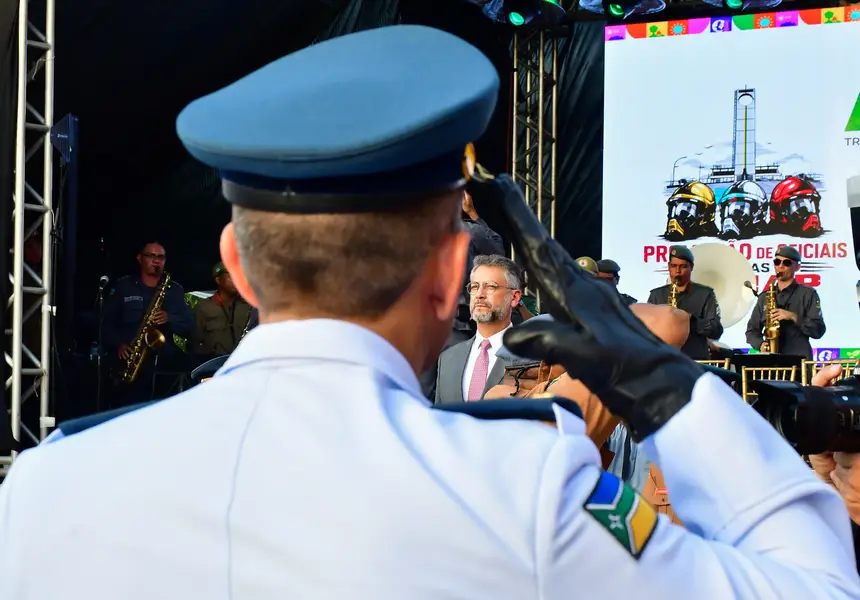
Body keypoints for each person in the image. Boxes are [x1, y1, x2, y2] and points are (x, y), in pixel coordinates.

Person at [0, 25, 858, 600]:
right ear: (454, 276)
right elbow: (814, 585)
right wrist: (664, 383)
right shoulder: (525, 489)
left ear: (236, 264)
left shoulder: (46, 486)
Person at [418, 189, 504, 398]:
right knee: (446, 392)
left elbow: (498, 253)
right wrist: (473, 214)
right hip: (439, 325)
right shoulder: (468, 230)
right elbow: (498, 251)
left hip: (442, 325)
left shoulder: (464, 231)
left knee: (440, 392)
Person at [101, 240, 194, 406]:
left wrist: (169, 318)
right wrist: (118, 344)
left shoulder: (175, 290)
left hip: (162, 368)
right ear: (140, 258)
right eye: (151, 256)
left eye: (161, 257)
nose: (156, 261)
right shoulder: (124, 286)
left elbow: (189, 325)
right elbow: (106, 323)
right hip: (128, 363)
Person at [434, 254, 524, 404]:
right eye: (475, 287)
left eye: (491, 286)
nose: (479, 295)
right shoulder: (448, 358)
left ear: (514, 298)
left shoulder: (533, 357)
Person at [745, 245, 825, 358]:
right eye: (777, 262)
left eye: (786, 263)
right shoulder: (764, 297)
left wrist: (793, 317)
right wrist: (761, 344)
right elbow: (751, 331)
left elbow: (818, 330)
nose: (780, 266)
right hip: (771, 361)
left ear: (797, 267)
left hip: (799, 360)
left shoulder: (808, 294)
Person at [647, 244, 723, 360]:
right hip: (663, 359)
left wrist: (689, 320)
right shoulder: (656, 296)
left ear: (691, 267)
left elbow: (716, 330)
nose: (677, 271)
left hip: (695, 360)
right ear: (669, 267)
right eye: (674, 266)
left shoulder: (705, 294)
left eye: (683, 267)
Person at [189, 262, 255, 363]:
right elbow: (194, 343)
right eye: (230, 275)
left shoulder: (248, 306)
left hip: (243, 363)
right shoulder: (204, 307)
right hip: (214, 365)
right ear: (218, 280)